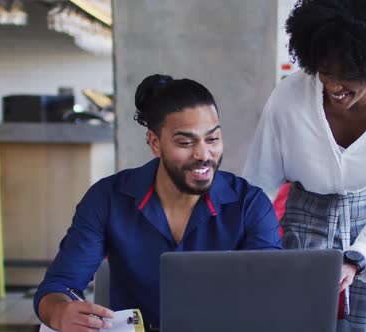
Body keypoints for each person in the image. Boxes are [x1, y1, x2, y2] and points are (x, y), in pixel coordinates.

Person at [242, 0, 366, 330]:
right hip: (305, 218)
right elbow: (259, 181)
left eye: (348, 76)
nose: (333, 86)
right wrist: (242, 248)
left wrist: (359, 259)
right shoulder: (290, 97)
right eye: (325, 72)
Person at [35, 74, 282, 331]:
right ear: (155, 143)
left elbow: (269, 295)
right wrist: (61, 312)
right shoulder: (107, 199)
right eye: (185, 142)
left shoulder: (249, 205)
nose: (203, 155)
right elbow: (58, 286)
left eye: (212, 139)